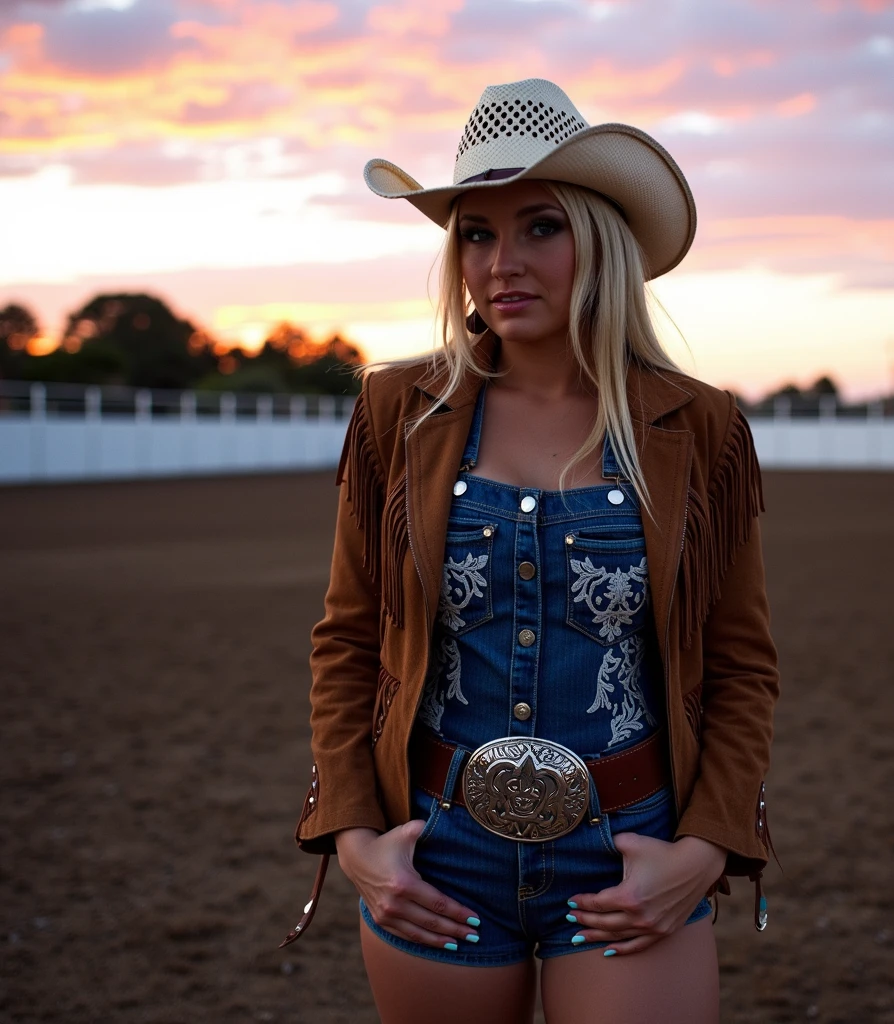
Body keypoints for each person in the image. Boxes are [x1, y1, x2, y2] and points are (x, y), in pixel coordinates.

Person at [281, 79, 779, 1024]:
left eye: (540, 227)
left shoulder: (696, 427)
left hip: (631, 849)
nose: (501, 262)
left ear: (601, 240)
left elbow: (742, 662)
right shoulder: (400, 412)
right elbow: (348, 638)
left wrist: (705, 849)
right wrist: (351, 830)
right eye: (476, 232)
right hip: (439, 851)